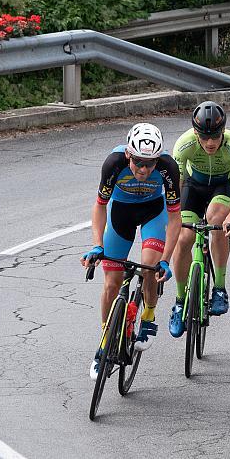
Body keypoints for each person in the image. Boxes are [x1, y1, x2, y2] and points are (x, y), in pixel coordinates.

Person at [80, 122, 181, 380]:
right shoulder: (113, 163)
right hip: (120, 213)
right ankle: (104, 343)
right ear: (128, 155)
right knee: (111, 284)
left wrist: (166, 260)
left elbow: (174, 217)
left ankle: (147, 316)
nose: (145, 169)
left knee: (150, 266)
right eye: (138, 163)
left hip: (152, 212)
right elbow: (100, 206)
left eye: (150, 163)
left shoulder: (169, 168)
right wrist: (96, 244)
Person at [168, 101, 230, 337]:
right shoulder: (184, 145)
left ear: (223, 132)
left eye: (215, 136)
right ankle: (180, 301)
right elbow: (176, 186)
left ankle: (220, 289)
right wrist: (171, 218)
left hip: (221, 187)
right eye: (205, 137)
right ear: (196, 133)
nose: (210, 142)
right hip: (193, 186)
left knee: (217, 220)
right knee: (184, 237)